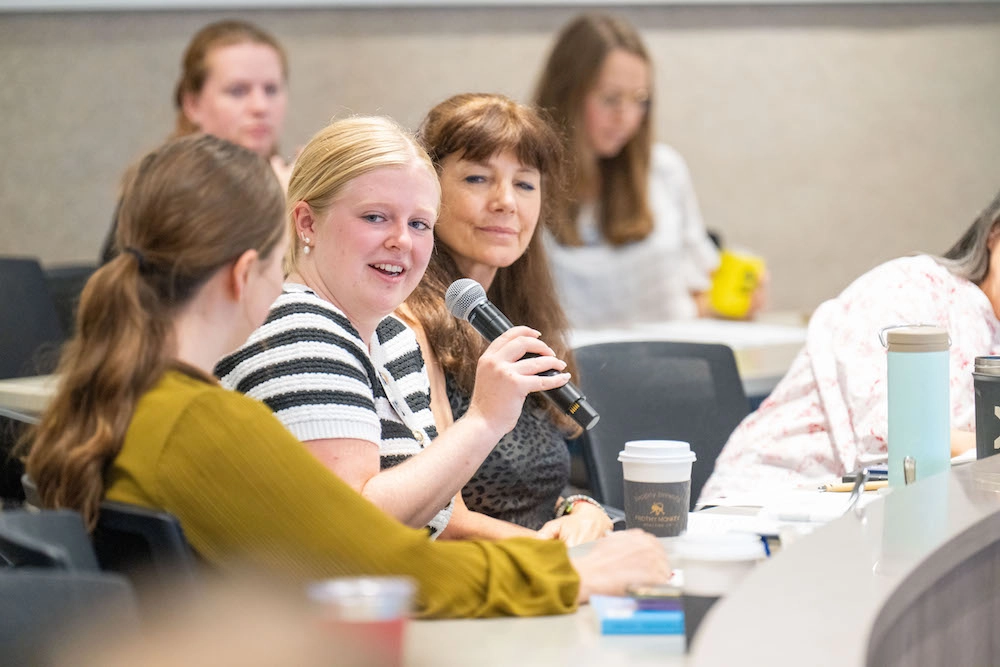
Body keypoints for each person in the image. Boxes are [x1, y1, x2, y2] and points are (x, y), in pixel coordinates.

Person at [24, 132, 670, 617]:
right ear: (244, 272)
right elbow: (384, 569)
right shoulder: (199, 420)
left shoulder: (141, 397)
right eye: (280, 262)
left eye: (418, 223)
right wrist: (574, 573)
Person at [216, 115, 578, 541]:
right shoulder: (295, 328)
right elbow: (354, 528)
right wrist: (483, 420)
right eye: (375, 217)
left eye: (419, 224)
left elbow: (427, 521)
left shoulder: (392, 337)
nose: (402, 241)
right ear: (307, 223)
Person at [401, 93, 612, 546]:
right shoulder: (408, 326)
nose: (505, 202)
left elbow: (543, 484)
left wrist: (582, 510)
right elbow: (441, 520)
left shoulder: (517, 314)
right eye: (478, 178)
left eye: (525, 184)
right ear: (429, 191)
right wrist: (552, 550)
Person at [699, 189, 1000, 505]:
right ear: (993, 232)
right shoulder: (909, 288)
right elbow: (895, 437)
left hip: (892, 518)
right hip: (773, 501)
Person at [533, 13, 763, 327]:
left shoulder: (664, 170)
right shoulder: (528, 176)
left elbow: (700, 289)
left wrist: (740, 298)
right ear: (567, 94)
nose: (626, 117)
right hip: (575, 364)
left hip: (672, 352)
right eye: (610, 99)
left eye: (640, 100)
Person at [99, 19, 291, 263]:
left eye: (271, 89)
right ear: (193, 104)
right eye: (238, 91)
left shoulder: (288, 180)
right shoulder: (164, 187)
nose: (261, 107)